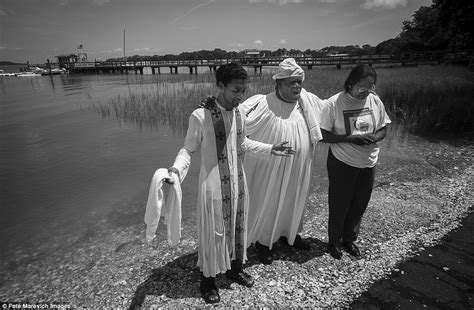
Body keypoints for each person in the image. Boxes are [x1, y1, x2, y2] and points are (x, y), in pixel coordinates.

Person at [164, 63, 294, 304]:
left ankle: (234, 270)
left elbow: (242, 144)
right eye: (235, 90)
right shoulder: (200, 115)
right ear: (220, 86)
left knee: (237, 228)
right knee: (213, 235)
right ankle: (208, 281)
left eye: (243, 90)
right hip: (213, 188)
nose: (240, 96)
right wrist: (176, 170)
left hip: (238, 182)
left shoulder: (239, 113)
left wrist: (270, 148)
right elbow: (188, 149)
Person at [241, 58, 325, 264]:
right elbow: (234, 115)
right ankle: (264, 242)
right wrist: (210, 108)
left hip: (299, 167)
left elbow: (332, 109)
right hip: (270, 167)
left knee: (295, 197)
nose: (296, 86)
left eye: (299, 81)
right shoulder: (262, 103)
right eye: (291, 82)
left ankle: (291, 235)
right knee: (268, 199)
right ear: (278, 84)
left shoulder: (307, 102)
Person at [319, 64, 391, 259]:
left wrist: (375, 138)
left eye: (370, 87)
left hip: (368, 161)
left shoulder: (375, 101)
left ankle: (349, 240)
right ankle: (333, 242)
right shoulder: (334, 103)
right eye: (362, 88)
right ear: (350, 83)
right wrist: (350, 139)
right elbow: (323, 135)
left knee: (360, 203)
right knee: (339, 203)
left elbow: (384, 128)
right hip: (342, 161)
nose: (366, 92)